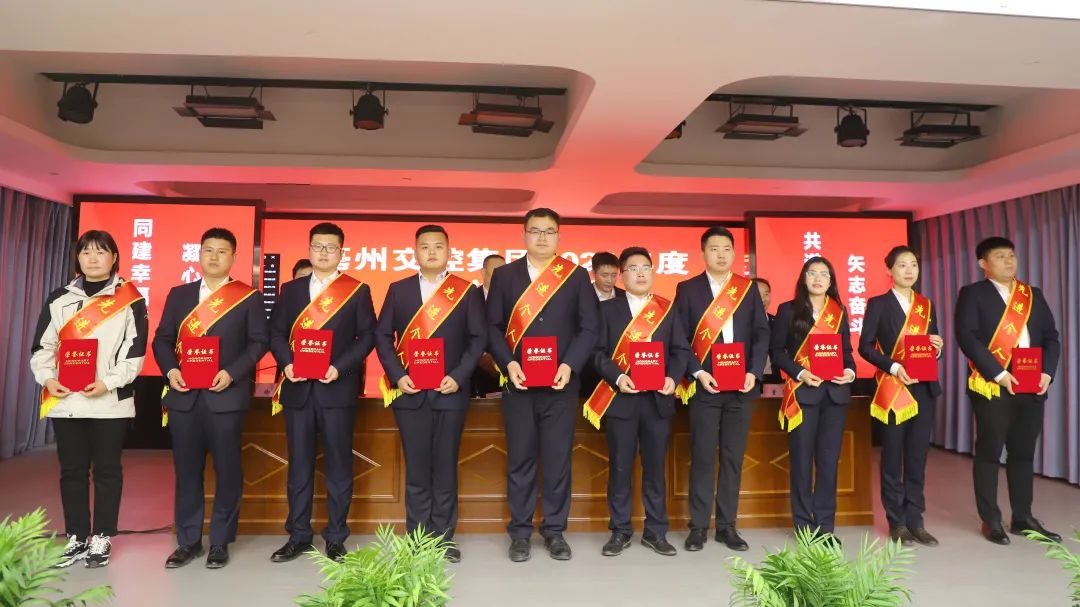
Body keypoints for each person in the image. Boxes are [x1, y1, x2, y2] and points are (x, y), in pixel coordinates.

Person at [30, 230, 149, 568]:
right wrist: (48, 379)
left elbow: (134, 354)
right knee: (72, 471)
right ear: (78, 258)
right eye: (86, 252)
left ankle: (102, 536)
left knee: (107, 471)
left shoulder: (131, 299)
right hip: (66, 400)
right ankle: (77, 536)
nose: (93, 258)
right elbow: (42, 347)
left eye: (101, 251)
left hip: (110, 402)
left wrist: (107, 383)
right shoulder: (59, 298)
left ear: (114, 257)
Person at [487, 207, 599, 562]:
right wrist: (508, 363)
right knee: (520, 460)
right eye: (535, 231)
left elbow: (589, 328)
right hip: (518, 385)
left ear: (559, 237)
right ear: (523, 235)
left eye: (549, 231)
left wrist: (569, 364)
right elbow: (492, 327)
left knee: (557, 460)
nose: (542, 237)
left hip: (560, 385)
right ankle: (520, 533)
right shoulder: (505, 276)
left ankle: (554, 531)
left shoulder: (575, 276)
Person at [153, 228, 269, 569]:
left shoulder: (247, 297)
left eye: (222, 251)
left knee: (227, 470)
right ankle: (188, 541)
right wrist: (170, 371)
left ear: (233, 257)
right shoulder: (179, 295)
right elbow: (162, 340)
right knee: (186, 471)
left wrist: (232, 373)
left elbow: (258, 342)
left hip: (226, 397)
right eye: (208, 250)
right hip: (184, 397)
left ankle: (220, 540)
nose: (214, 256)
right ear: (199, 254)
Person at [374, 225, 486, 563]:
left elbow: (478, 339)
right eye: (425, 246)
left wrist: (458, 376)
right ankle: (417, 538)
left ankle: (443, 538)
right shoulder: (399, 290)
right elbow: (382, 337)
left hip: (450, 392)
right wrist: (398, 376)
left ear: (449, 251)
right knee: (417, 470)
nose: (432, 252)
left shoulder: (466, 292)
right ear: (415, 252)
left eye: (438, 246)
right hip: (410, 393)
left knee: (445, 467)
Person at [268, 222, 376, 563]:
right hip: (298, 390)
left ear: (341, 252)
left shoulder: (356, 290)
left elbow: (367, 337)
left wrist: (339, 367)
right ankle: (298, 535)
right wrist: (287, 363)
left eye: (330, 247)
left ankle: (336, 537)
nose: (324, 252)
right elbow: (275, 333)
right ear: (309, 249)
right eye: (318, 246)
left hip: (337, 390)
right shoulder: (291, 290)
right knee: (298, 467)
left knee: (339, 467)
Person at [955, 236, 1061, 545]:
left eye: (1011, 255)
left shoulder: (1032, 294)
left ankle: (1023, 517)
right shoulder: (973, 294)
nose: (1009, 261)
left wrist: (1047, 373)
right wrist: (999, 374)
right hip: (993, 384)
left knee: (1023, 453)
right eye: (1000, 256)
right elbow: (967, 337)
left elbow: (1051, 337)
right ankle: (991, 520)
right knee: (990, 453)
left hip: (1032, 383)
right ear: (983, 263)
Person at [673, 227, 770, 552]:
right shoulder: (688, 289)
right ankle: (698, 527)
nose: (721, 254)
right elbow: (680, 338)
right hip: (706, 387)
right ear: (703, 253)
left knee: (732, 458)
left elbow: (761, 334)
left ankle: (727, 526)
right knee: (702, 457)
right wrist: (698, 372)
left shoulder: (747, 289)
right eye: (714, 249)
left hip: (741, 387)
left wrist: (754, 372)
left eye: (727, 248)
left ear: (734, 253)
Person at [588, 247, 688, 557]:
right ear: (622, 275)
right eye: (633, 268)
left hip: (657, 401)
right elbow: (597, 354)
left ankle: (656, 531)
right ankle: (620, 530)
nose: (641, 273)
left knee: (655, 469)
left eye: (646, 267)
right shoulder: (606, 310)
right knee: (620, 468)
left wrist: (673, 377)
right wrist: (618, 377)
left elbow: (680, 351)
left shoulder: (667, 309)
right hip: (621, 400)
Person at [858, 246, 942, 547]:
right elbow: (865, 347)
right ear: (889, 270)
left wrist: (937, 348)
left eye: (914, 265)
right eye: (902, 265)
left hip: (923, 388)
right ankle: (897, 522)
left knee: (917, 458)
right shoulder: (879, 304)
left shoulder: (926, 305)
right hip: (894, 389)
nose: (909, 270)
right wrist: (894, 366)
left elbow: (930, 345)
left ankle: (916, 521)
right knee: (893, 457)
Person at [770, 256, 856, 542]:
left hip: (835, 397)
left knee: (829, 464)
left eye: (824, 274)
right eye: (812, 273)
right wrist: (801, 372)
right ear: (803, 278)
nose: (818, 278)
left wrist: (849, 372)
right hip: (803, 395)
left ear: (831, 281)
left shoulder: (839, 311)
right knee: (802, 463)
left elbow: (847, 353)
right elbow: (777, 352)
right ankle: (804, 527)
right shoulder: (788, 310)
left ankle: (825, 528)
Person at [472, 254, 505, 396]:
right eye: (495, 274)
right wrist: (483, 356)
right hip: (477, 369)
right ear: (483, 272)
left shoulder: (516, 299)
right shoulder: (469, 298)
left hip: (510, 367)